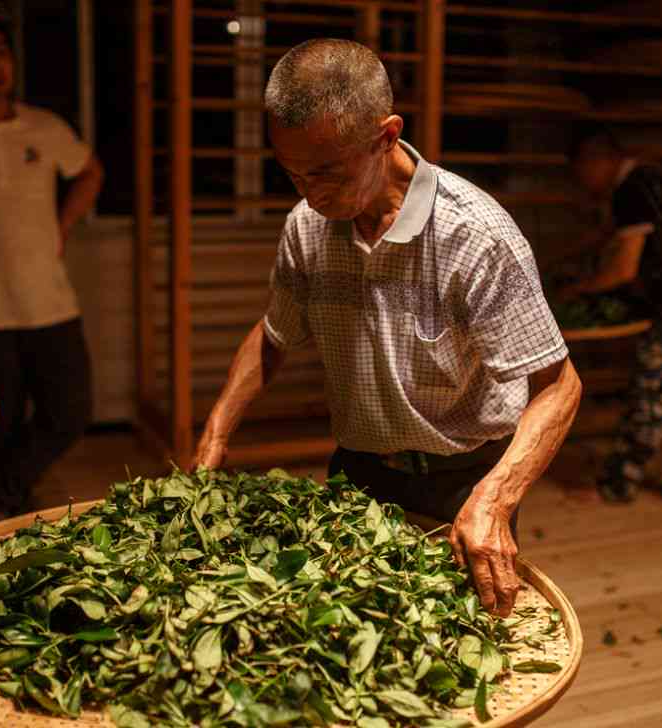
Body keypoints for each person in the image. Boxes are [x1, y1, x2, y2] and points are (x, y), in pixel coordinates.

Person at [192, 39, 582, 616]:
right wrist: (218, 431)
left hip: (462, 480)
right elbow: (275, 333)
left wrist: (496, 500)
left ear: (386, 135)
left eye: (327, 174)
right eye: (293, 175)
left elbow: (559, 384)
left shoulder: (475, 237)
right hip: (356, 472)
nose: (310, 194)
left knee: (450, 659)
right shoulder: (307, 227)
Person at [0, 15, 104, 521]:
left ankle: (4, 495)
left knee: (70, 413)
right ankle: (3, 510)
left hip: (49, 300)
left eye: (1, 51)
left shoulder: (44, 127)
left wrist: (62, 226)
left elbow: (89, 172)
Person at [562, 127, 662, 510]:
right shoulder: (657, 182)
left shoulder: (633, 190)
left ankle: (617, 485)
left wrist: (581, 289)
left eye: (580, 172)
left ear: (595, 161)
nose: (582, 183)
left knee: (652, 396)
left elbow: (624, 267)